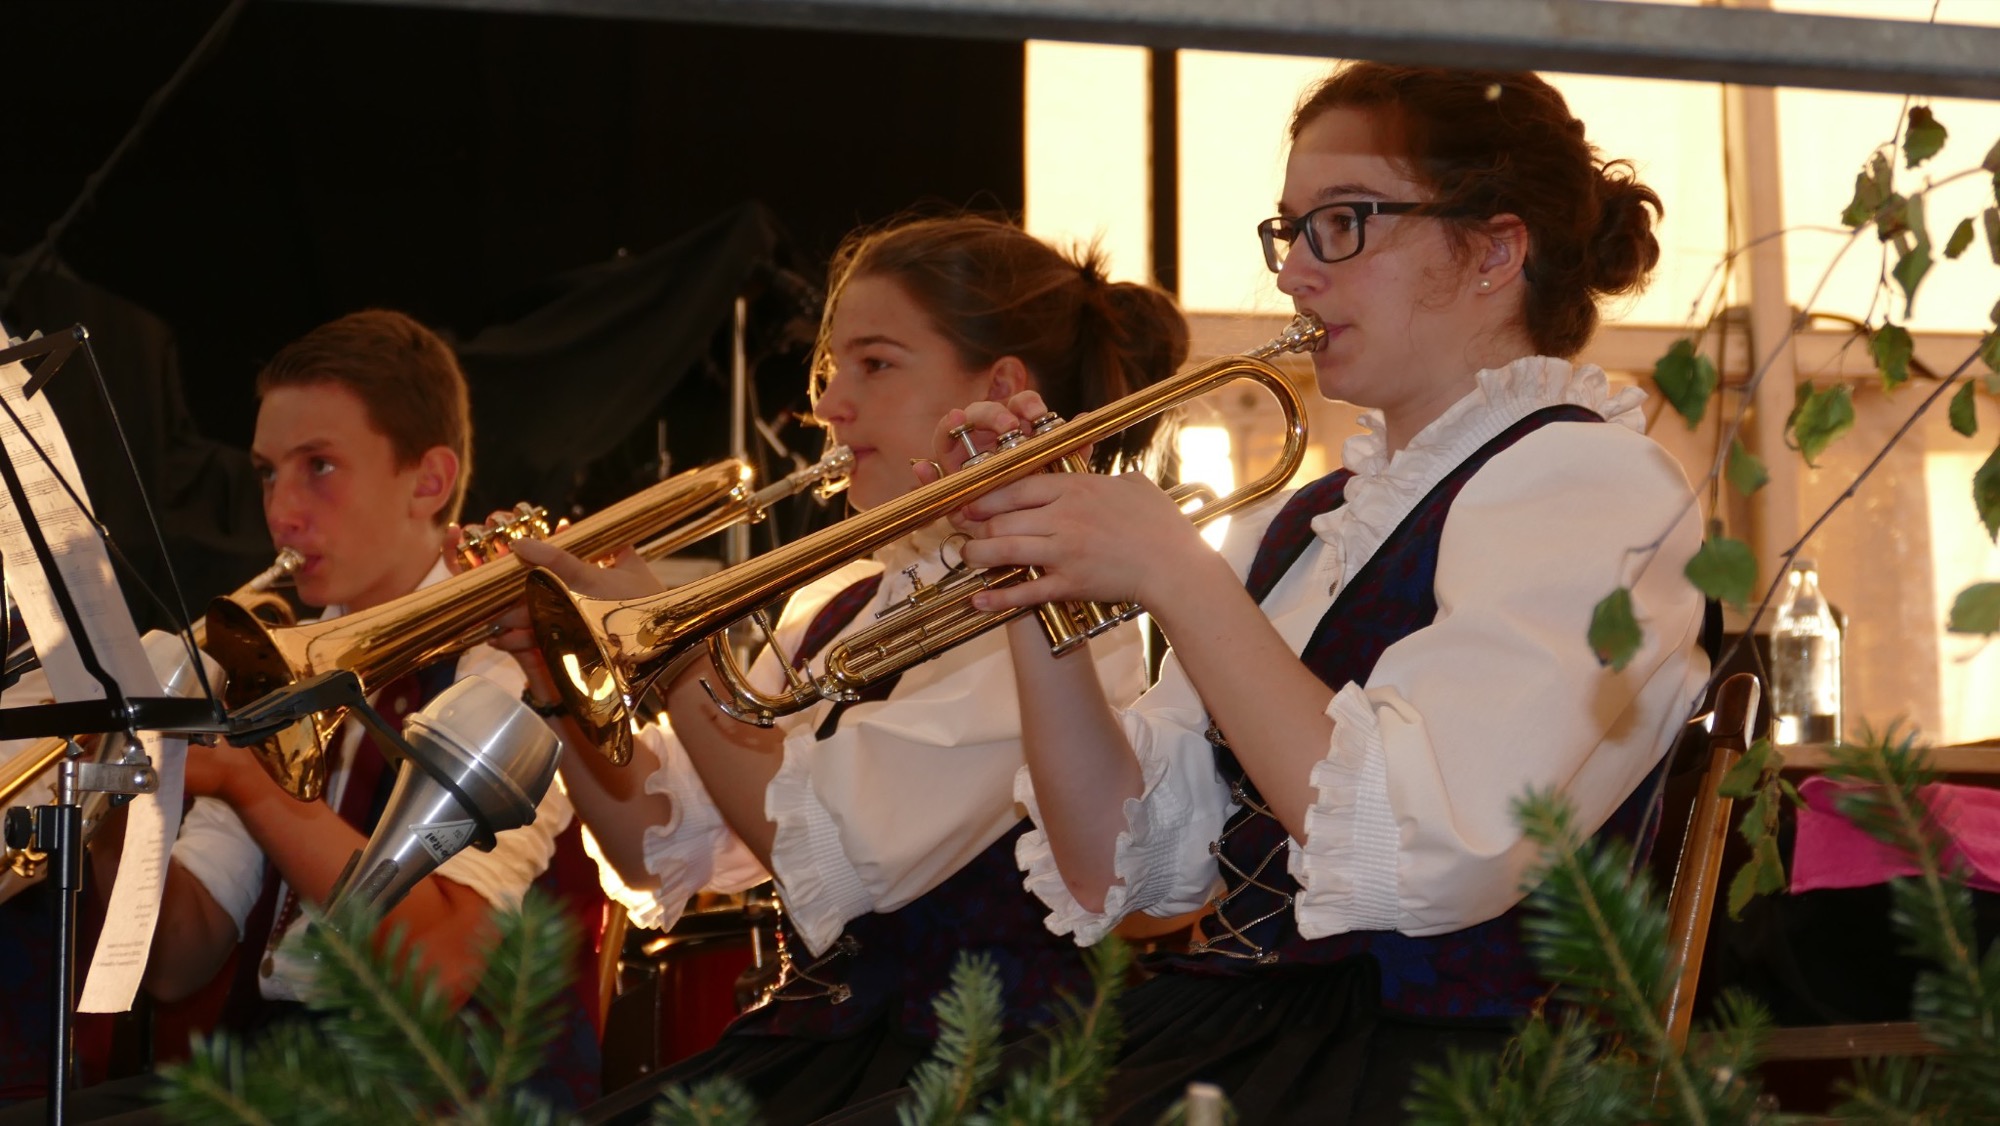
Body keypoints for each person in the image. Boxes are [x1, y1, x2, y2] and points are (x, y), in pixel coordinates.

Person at [925, 64, 1712, 1123]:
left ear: (1491, 251)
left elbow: (1422, 853)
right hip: (1244, 1039)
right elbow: (1115, 857)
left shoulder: (1592, 483)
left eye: (1340, 224)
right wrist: (1027, 576)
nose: (1293, 275)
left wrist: (1175, 571)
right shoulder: (1298, 525)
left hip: (1439, 1077)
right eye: (1287, 230)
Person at [490, 215, 1190, 1124]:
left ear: (1000, 387)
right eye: (831, 369)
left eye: (876, 364)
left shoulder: (1065, 618)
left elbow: (822, 851)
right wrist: (557, 669)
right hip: (830, 1050)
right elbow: (664, 839)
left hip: (978, 1072)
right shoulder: (842, 599)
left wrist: (669, 649)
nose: (828, 406)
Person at [0, 309, 589, 1123]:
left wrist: (252, 783)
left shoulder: (506, 662)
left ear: (429, 480)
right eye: (269, 472)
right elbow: (178, 959)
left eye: (319, 467)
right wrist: (110, 782)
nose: (281, 511)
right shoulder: (280, 668)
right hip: (282, 1079)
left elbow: (441, 963)